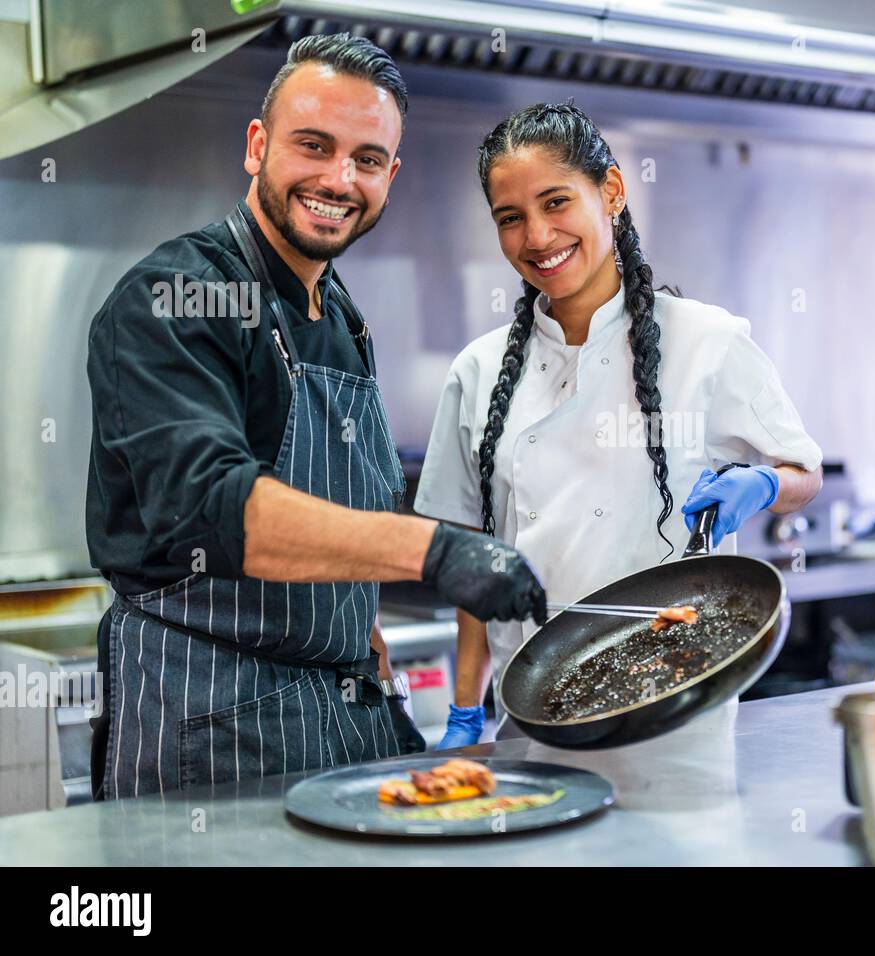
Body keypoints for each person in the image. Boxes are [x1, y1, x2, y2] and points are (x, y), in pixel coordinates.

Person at [84, 34, 545, 800]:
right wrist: (433, 550)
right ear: (258, 145)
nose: (340, 178)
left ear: (390, 177)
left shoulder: (342, 317)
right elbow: (214, 507)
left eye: (367, 159)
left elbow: (341, 532)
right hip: (207, 718)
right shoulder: (176, 295)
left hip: (340, 715)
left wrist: (384, 686)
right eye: (314, 146)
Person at [416, 102, 822, 748]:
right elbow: (471, 566)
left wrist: (764, 486)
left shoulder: (707, 341)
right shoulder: (477, 370)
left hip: (678, 714)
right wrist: (466, 711)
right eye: (510, 218)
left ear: (610, 191)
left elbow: (804, 471)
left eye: (556, 203)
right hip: (533, 721)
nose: (537, 236)